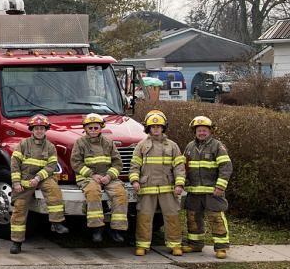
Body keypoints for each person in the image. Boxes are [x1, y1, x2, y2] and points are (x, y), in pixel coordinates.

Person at [7, 114, 69, 254]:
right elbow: (15, 164)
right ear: (32, 130)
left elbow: (51, 165)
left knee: (54, 190)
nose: (39, 131)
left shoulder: (51, 147)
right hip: (25, 178)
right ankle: (16, 242)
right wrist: (16, 183)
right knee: (19, 209)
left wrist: (38, 177)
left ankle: (57, 223)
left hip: (43, 177)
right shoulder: (23, 144)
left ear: (46, 129)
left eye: (42, 128)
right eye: (36, 128)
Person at [129, 109, 185, 257]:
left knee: (172, 216)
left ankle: (175, 245)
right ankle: (142, 245)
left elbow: (179, 167)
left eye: (158, 126)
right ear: (148, 128)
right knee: (144, 217)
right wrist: (134, 181)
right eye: (153, 127)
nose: (156, 129)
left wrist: (179, 184)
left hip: (168, 188)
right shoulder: (141, 146)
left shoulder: (173, 146)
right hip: (147, 188)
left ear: (163, 127)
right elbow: (134, 166)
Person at [71, 113, 128, 245]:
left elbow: (117, 163)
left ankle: (117, 229)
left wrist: (109, 176)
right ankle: (97, 229)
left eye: (96, 128)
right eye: (90, 128)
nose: (93, 131)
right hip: (88, 178)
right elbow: (76, 163)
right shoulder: (80, 143)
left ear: (101, 128)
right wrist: (92, 175)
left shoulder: (108, 143)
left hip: (108, 178)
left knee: (121, 194)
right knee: (93, 193)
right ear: (85, 129)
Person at [181, 115, 233, 259]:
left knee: (216, 218)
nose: (202, 133)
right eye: (199, 130)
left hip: (212, 191)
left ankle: (221, 247)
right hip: (193, 191)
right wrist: (182, 183)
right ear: (195, 132)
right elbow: (184, 167)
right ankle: (195, 245)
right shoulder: (190, 147)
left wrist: (220, 186)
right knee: (192, 218)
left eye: (204, 130)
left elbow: (226, 167)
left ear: (210, 131)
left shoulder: (217, 146)